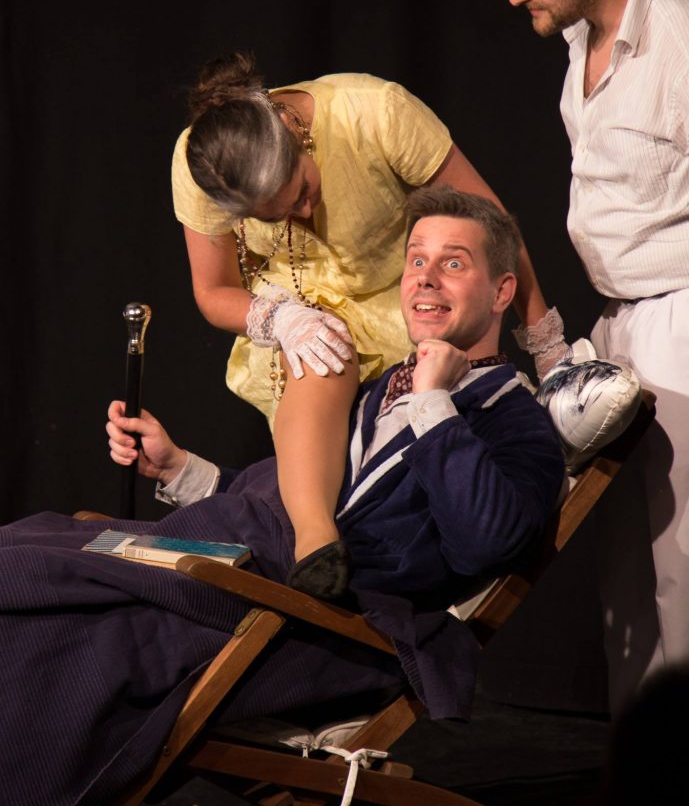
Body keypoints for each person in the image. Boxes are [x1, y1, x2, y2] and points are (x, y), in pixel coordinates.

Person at [1, 189, 564, 805]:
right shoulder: (380, 388)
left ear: (502, 292)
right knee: (24, 545)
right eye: (416, 260)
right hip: (233, 565)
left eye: (453, 263)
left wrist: (432, 399)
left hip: (299, 618)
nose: (426, 278)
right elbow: (296, 496)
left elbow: (487, 541)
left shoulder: (515, 422)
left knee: (51, 618)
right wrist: (179, 467)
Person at [172, 54, 565, 597]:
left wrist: (546, 345)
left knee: (404, 491)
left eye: (302, 191)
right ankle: (315, 548)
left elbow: (493, 229)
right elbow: (213, 290)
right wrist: (279, 317)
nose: (301, 214)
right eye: (272, 217)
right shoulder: (205, 162)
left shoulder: (374, 113)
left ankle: (376, 585)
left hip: (405, 316)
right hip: (301, 335)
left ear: (295, 134)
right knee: (323, 369)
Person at [498, 0, 689, 712]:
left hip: (679, 316)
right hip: (617, 321)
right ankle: (637, 760)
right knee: (621, 567)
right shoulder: (579, 37)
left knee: (682, 567)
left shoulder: (677, 35)